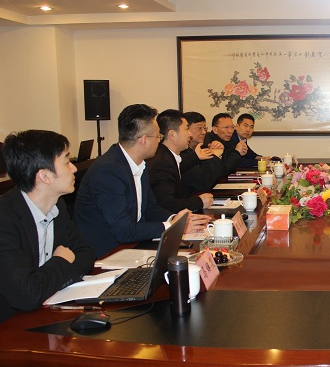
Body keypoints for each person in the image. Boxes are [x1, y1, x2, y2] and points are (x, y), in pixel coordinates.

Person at [0, 130, 95, 367]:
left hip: (37, 324)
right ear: (44, 175)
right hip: (9, 346)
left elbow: (86, 253)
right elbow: (26, 294)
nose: (74, 168)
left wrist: (50, 277)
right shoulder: (5, 219)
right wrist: (60, 261)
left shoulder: (57, 206)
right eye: (66, 160)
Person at [74, 104, 209, 258]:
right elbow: (123, 230)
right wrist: (171, 226)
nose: (159, 142)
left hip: (131, 247)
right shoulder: (108, 170)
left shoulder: (139, 163)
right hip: (105, 255)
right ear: (144, 140)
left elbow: (150, 208)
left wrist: (176, 220)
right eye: (158, 137)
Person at [146, 110, 213, 213]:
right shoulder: (162, 162)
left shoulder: (167, 155)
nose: (190, 134)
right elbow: (166, 204)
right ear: (172, 135)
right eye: (186, 129)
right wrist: (199, 201)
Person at [179, 111, 227, 196]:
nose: (204, 132)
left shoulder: (202, 148)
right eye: (199, 128)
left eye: (205, 128)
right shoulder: (182, 154)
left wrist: (216, 154)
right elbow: (204, 183)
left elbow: (219, 176)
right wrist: (214, 156)